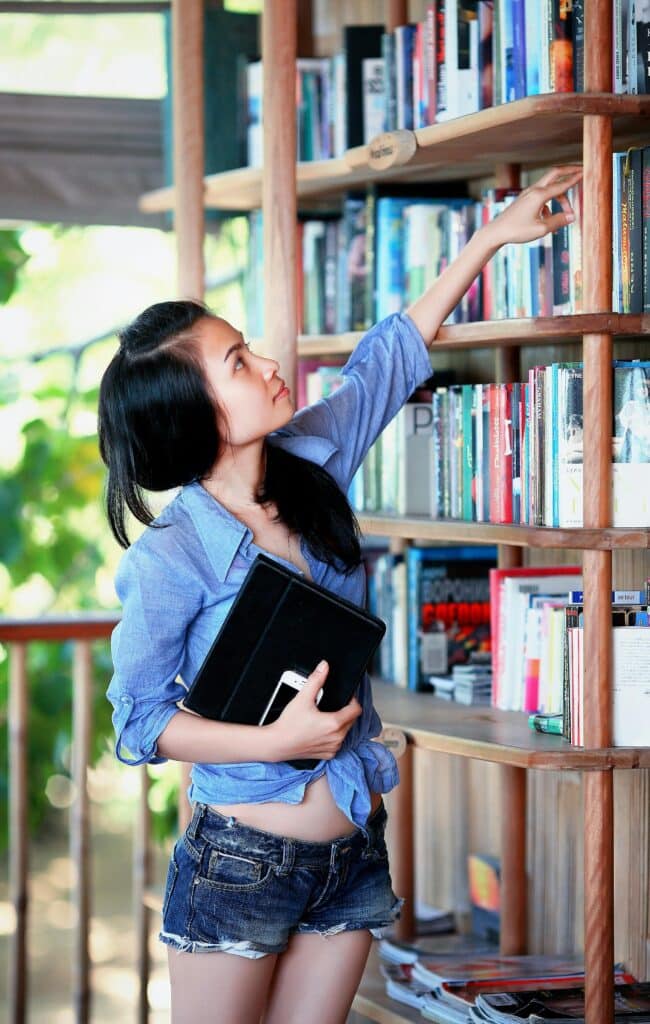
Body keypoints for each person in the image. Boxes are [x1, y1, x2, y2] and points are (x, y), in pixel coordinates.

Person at [98, 164, 582, 1024]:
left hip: (354, 854)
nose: (270, 364)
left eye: (250, 345)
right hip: (238, 862)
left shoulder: (315, 455)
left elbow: (388, 359)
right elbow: (139, 721)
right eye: (239, 363)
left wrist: (490, 237)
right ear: (191, 415)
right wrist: (273, 739)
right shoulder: (172, 555)